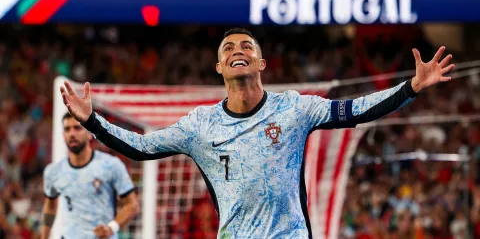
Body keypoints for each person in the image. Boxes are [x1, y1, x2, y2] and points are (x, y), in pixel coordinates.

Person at [60, 28, 455, 238]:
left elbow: (354, 110)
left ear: (260, 60)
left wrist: (411, 88)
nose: (238, 49)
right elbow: (142, 147)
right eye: (229, 47)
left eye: (246, 45)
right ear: (219, 67)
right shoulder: (199, 124)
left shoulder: (295, 108)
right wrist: (93, 122)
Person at [41, 113, 138, 239]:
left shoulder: (110, 165)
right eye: (67, 129)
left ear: (89, 134)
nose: (72, 134)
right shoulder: (54, 171)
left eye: (77, 128)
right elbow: (50, 207)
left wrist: (111, 227)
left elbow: (132, 204)